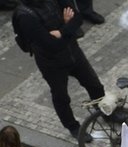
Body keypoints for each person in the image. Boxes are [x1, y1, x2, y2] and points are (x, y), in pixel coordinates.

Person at [13, 0, 105, 135]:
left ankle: (104, 110)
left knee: (94, 84)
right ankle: (73, 127)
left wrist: (61, 32)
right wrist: (67, 25)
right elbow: (50, 45)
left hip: (73, 52)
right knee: (61, 96)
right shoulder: (25, 16)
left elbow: (78, 18)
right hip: (51, 63)